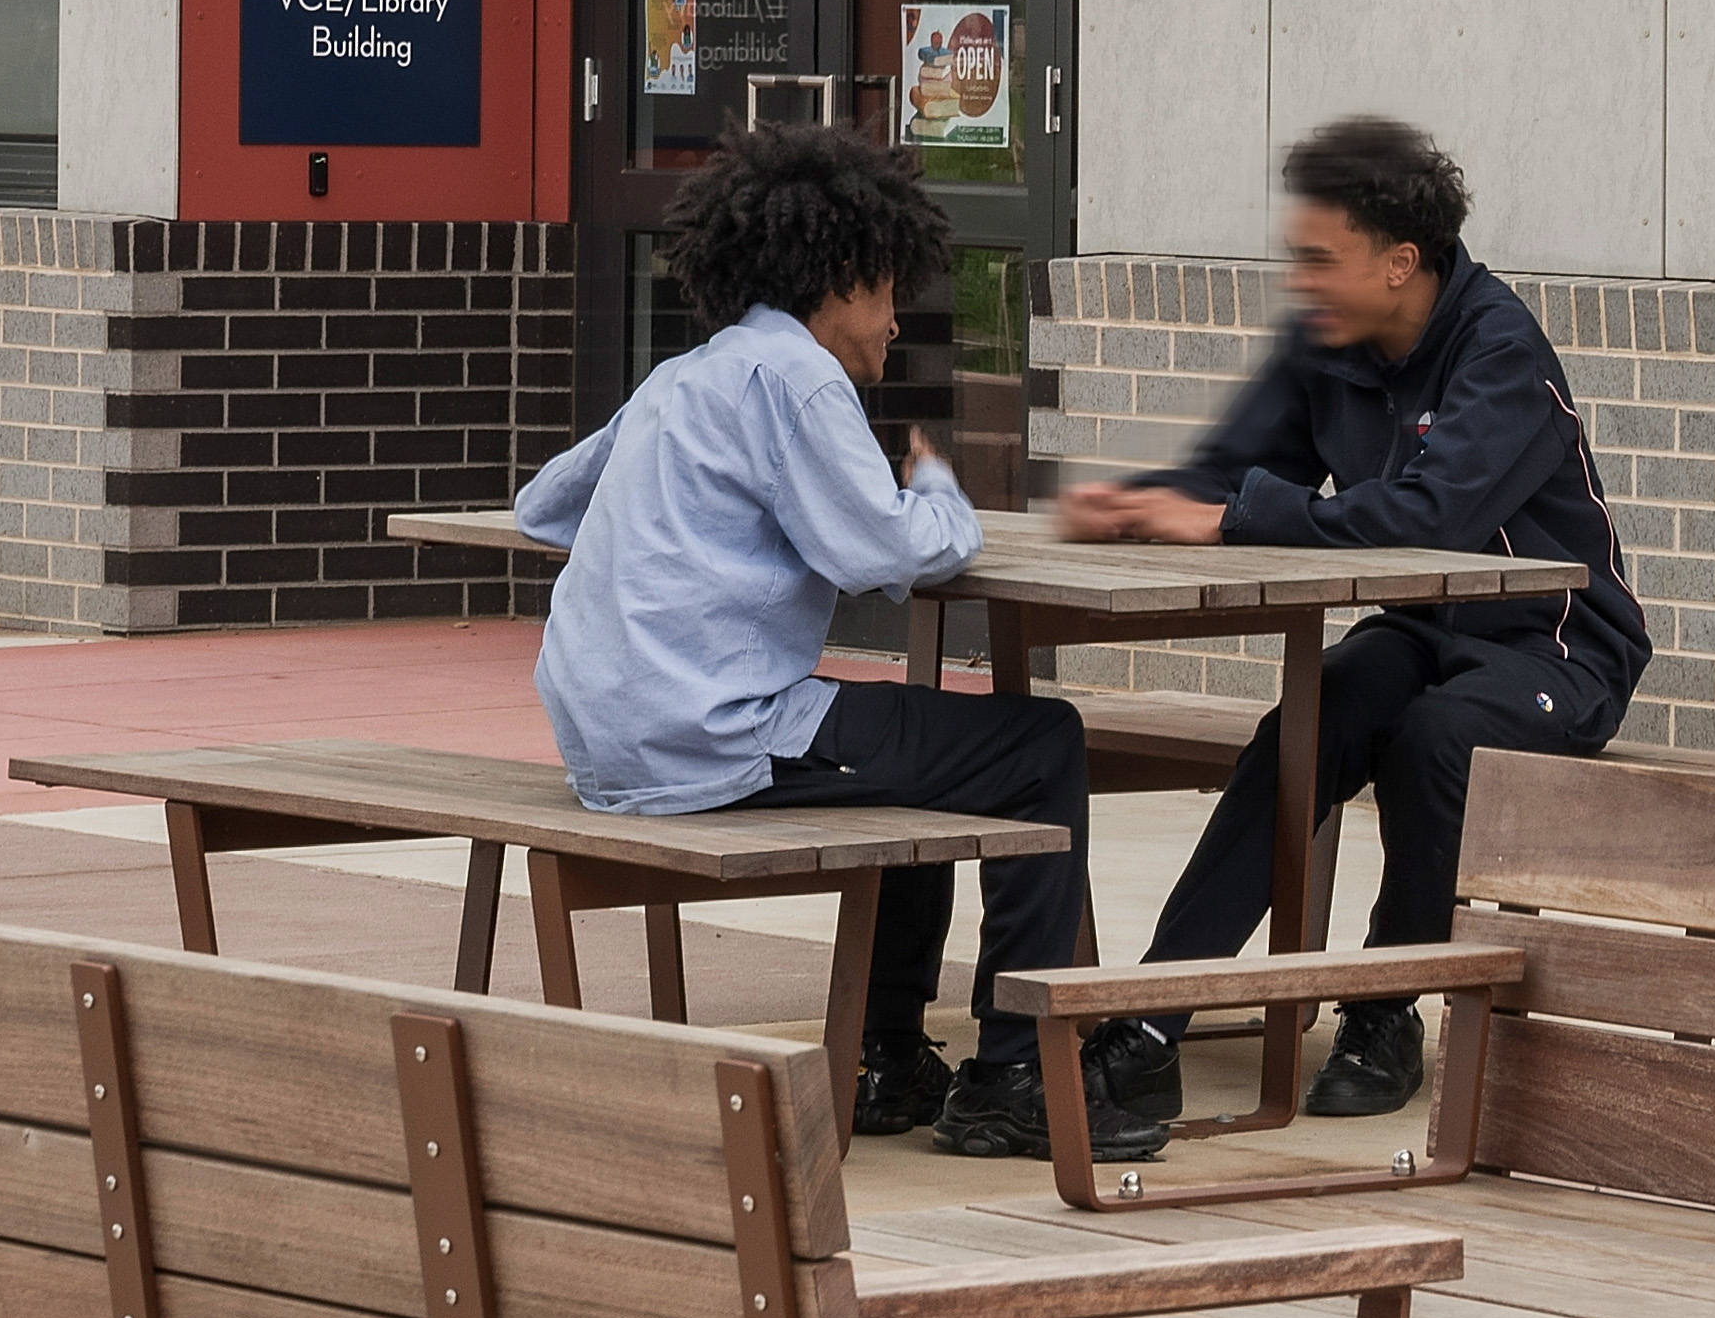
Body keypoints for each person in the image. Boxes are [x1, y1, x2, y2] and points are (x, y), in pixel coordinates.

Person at [517, 127, 1158, 1163]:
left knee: (916, 757)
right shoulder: (797, 379)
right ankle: (1013, 1077)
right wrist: (942, 491)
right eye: (887, 291)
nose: (897, 322)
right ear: (841, 277)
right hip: (709, 739)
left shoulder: (687, 378)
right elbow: (880, 552)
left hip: (605, 744)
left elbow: (543, 505)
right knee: (1039, 745)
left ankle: (885, 1054)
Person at [1055, 113, 1644, 1120]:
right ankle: (1149, 1021)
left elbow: (1429, 519)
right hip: (1426, 631)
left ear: (1398, 263)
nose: (1301, 283)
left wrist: (1224, 517)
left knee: (1432, 738)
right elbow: (1233, 478)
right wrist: (1133, 501)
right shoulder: (1327, 336)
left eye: (1319, 260)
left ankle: (1384, 1008)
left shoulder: (1499, 349)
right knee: (1306, 722)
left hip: (1556, 642)